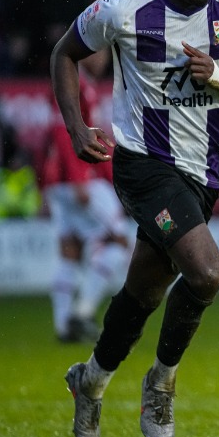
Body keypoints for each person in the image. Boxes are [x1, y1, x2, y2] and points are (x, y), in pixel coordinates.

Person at [50, 0, 219, 437]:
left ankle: (91, 381)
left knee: (145, 290)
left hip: (206, 172)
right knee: (207, 272)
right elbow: (64, 54)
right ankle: (162, 383)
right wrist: (77, 128)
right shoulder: (122, 12)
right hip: (144, 163)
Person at [41, 51, 130, 343]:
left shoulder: (82, 83)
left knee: (70, 249)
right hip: (76, 182)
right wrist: (78, 179)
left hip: (60, 182)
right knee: (120, 242)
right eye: (99, 51)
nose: (103, 58)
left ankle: (63, 326)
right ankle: (82, 312)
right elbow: (61, 131)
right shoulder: (75, 83)